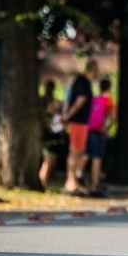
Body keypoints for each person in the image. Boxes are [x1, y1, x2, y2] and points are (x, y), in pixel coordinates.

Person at [61, 59, 98, 195]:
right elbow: (79, 101)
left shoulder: (77, 81)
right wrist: (68, 115)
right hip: (79, 121)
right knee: (75, 151)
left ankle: (74, 180)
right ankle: (70, 181)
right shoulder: (84, 83)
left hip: (78, 121)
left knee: (78, 151)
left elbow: (68, 99)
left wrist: (66, 113)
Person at [85, 77, 116, 197]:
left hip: (90, 130)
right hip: (100, 131)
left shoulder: (94, 99)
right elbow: (113, 118)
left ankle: (78, 175)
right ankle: (95, 185)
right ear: (109, 87)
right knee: (97, 158)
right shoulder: (109, 100)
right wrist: (108, 128)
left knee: (87, 154)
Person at [38, 80, 67, 191]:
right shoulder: (45, 103)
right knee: (48, 161)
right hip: (50, 136)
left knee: (50, 161)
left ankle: (43, 183)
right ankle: (42, 183)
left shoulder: (50, 101)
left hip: (54, 135)